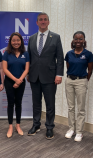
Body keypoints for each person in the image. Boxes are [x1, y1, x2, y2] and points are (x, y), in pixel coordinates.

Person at [27, 12, 64, 140]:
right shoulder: (31, 38)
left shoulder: (56, 37)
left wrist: (59, 75)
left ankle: (49, 127)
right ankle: (36, 125)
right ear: (36, 22)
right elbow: (29, 58)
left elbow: (60, 57)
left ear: (48, 22)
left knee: (50, 103)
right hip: (34, 77)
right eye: (40, 20)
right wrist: (27, 73)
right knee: (36, 103)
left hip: (50, 76)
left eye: (45, 20)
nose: (43, 22)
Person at [64, 31, 93, 142]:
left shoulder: (88, 54)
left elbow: (90, 70)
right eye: (76, 39)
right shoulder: (69, 54)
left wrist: (84, 80)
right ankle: (71, 129)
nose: (78, 41)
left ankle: (79, 132)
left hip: (81, 81)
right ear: (73, 40)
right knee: (71, 107)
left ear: (84, 40)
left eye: (80, 39)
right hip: (69, 81)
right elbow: (68, 67)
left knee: (81, 109)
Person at [2, 32, 29, 138]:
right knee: (10, 103)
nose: (16, 42)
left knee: (18, 103)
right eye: (14, 40)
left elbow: (27, 69)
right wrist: (15, 80)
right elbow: (4, 69)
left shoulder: (25, 54)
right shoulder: (6, 53)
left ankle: (18, 125)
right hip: (9, 82)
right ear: (10, 42)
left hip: (21, 82)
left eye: (18, 40)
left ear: (21, 41)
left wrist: (19, 80)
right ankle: (10, 126)